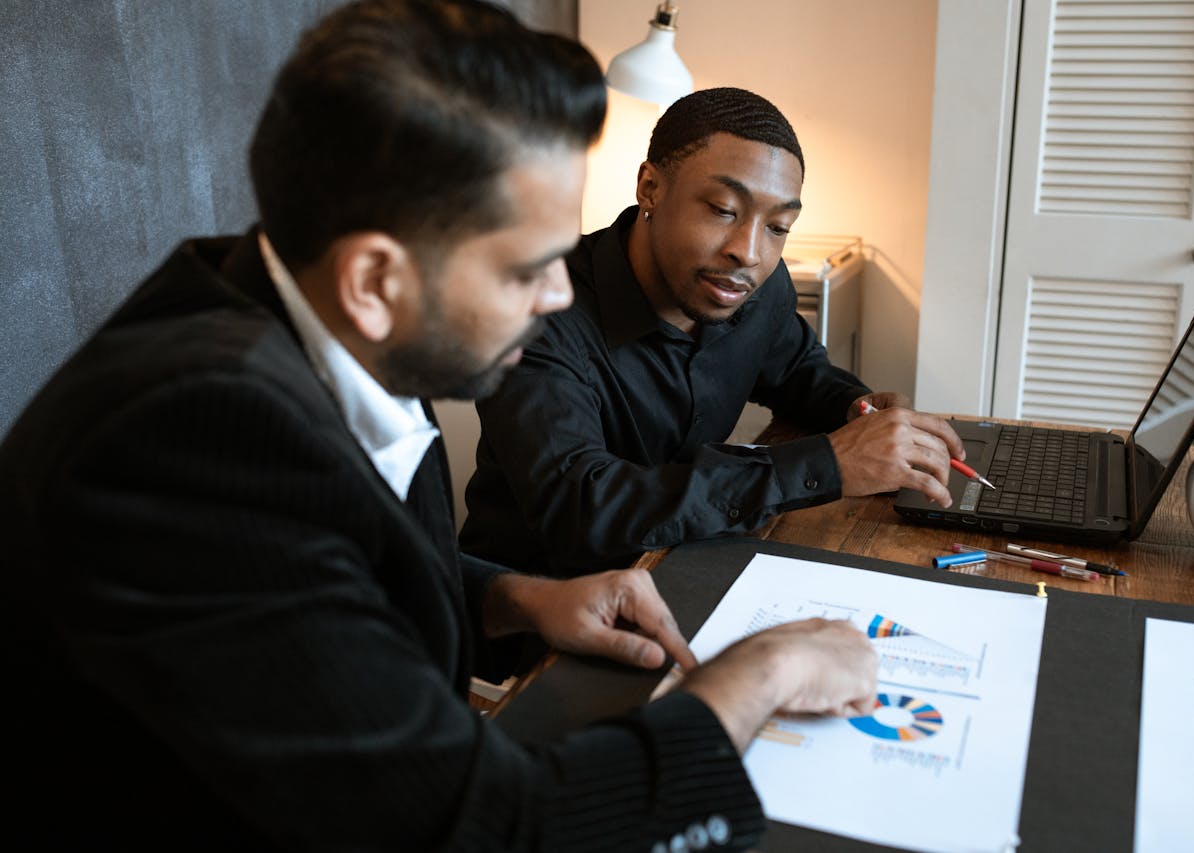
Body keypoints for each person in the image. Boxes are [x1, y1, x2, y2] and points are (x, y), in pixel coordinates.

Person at [0, 2, 883, 850]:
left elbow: (329, 569)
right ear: (376, 279)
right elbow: (497, 827)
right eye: (526, 269)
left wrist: (514, 594)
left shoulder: (307, 312)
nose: (560, 295)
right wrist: (759, 676)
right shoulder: (203, 445)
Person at [460, 86, 965, 577]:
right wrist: (827, 464)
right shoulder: (540, 310)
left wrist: (858, 411)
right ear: (650, 188)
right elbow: (583, 509)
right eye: (724, 210)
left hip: (689, 564)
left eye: (778, 227)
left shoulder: (754, 286)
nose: (748, 251)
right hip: (542, 610)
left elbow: (797, 371)